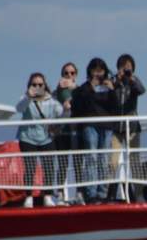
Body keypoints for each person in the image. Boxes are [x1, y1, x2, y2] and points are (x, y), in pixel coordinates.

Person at [69, 57, 119, 203]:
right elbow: (79, 104)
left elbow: (116, 107)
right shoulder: (84, 88)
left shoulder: (109, 87)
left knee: (104, 159)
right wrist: (91, 87)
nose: (98, 74)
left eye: (101, 71)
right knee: (91, 157)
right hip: (90, 125)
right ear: (90, 72)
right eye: (95, 70)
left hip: (107, 126)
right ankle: (91, 193)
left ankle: (102, 193)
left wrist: (112, 91)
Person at [14, 72, 63, 206]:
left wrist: (66, 106)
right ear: (29, 86)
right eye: (34, 84)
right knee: (30, 167)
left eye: (40, 84)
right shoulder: (25, 98)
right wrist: (28, 97)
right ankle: (28, 197)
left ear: (45, 85)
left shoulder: (51, 101)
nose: (37, 87)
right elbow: (19, 108)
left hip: (46, 138)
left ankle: (47, 196)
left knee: (49, 167)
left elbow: (62, 112)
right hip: (27, 137)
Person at [111, 53, 146, 202]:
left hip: (132, 127)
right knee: (113, 161)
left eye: (128, 68)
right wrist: (116, 82)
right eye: (123, 67)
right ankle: (110, 194)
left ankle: (139, 194)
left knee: (135, 162)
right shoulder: (114, 81)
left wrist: (131, 80)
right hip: (116, 128)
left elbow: (142, 90)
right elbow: (107, 94)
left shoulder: (134, 81)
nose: (126, 70)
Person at [51, 61, 79, 203]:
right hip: (61, 131)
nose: (69, 75)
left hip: (76, 131)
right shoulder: (55, 93)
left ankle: (80, 193)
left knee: (78, 163)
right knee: (62, 164)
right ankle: (61, 192)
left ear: (76, 75)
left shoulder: (80, 91)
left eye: (72, 73)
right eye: (66, 73)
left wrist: (73, 97)